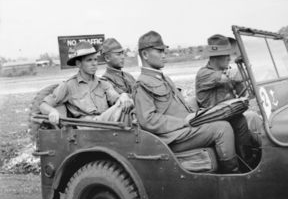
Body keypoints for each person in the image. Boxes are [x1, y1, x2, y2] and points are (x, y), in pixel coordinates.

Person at [133, 30, 240, 173]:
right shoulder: (142, 84)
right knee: (222, 128)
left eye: (164, 50)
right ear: (145, 55)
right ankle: (233, 175)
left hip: (184, 130)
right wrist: (184, 122)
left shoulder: (164, 79)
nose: (164, 55)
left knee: (232, 119)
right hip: (171, 137)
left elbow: (181, 108)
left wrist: (199, 116)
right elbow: (148, 120)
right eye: (159, 51)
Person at [195, 34, 262, 159]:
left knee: (253, 117)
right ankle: (246, 162)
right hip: (213, 119)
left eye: (229, 54)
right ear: (215, 56)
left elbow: (243, 91)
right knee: (239, 120)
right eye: (226, 54)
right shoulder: (204, 74)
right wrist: (253, 68)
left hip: (228, 114)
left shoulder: (226, 72)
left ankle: (261, 151)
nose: (229, 58)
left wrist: (244, 87)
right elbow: (233, 76)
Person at [40, 41, 133, 125]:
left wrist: (123, 96)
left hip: (106, 124)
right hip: (87, 126)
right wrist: (52, 111)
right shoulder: (69, 85)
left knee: (127, 102)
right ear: (78, 64)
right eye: (89, 60)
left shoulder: (103, 83)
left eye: (95, 59)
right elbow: (44, 105)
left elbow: (116, 98)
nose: (94, 63)